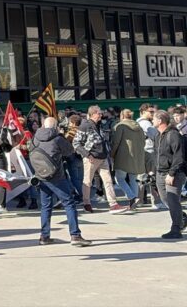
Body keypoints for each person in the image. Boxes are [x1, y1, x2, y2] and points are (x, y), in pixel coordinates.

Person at [31, 117, 92, 247]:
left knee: (46, 206)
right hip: (56, 176)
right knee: (69, 203)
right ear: (55, 127)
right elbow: (69, 151)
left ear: (43, 125)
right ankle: (75, 235)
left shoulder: (35, 137)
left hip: (41, 175)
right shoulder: (57, 138)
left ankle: (44, 236)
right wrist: (61, 135)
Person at [74, 106, 129, 214]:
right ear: (93, 114)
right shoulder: (85, 126)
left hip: (102, 157)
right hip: (92, 158)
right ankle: (86, 203)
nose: (101, 115)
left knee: (108, 181)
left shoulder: (100, 125)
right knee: (88, 181)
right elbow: (76, 143)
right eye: (99, 113)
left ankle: (113, 204)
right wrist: (87, 155)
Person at [155, 112, 187, 239]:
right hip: (160, 172)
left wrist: (172, 173)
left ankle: (176, 229)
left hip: (173, 173)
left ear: (160, 120)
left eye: (154, 119)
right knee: (165, 199)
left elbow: (179, 156)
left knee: (173, 201)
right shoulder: (158, 135)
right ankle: (183, 218)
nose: (152, 121)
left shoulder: (173, 134)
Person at [110, 108, 146, 209]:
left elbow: (116, 142)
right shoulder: (138, 126)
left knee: (119, 178)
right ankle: (133, 201)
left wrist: (112, 154)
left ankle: (132, 197)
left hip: (123, 156)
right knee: (133, 179)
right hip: (136, 156)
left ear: (122, 116)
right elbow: (143, 141)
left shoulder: (120, 126)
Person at [137, 106, 164, 210]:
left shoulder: (137, 122)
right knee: (152, 177)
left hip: (140, 151)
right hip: (149, 151)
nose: (153, 113)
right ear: (143, 111)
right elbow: (156, 135)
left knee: (141, 177)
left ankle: (139, 200)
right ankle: (156, 202)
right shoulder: (146, 123)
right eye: (151, 111)